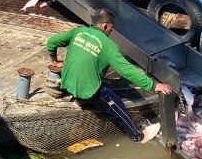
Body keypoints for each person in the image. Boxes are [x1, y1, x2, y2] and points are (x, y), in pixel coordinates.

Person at [46, 9, 172, 143]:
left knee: (97, 78)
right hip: (85, 89)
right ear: (105, 25)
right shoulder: (108, 46)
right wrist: (153, 85)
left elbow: (51, 42)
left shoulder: (78, 32)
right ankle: (138, 136)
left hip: (67, 83)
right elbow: (127, 69)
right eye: (112, 27)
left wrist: (54, 61)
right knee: (115, 103)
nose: (112, 31)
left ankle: (80, 99)